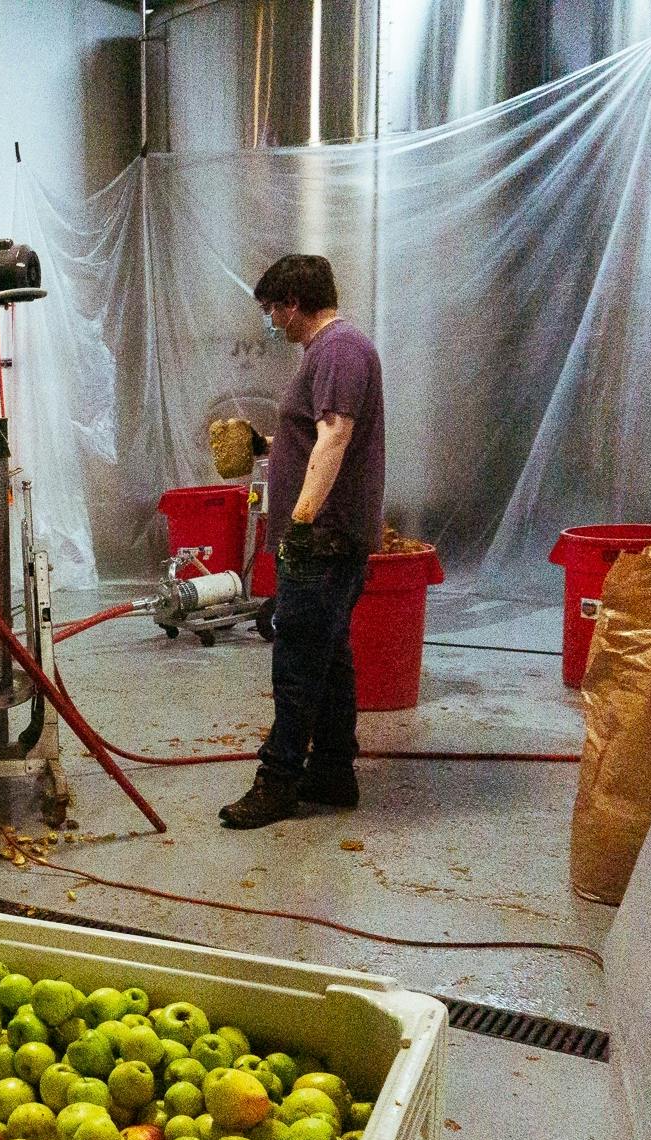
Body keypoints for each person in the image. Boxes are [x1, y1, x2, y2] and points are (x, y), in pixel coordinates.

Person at [221, 254, 385, 829]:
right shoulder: (331, 353)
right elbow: (315, 435)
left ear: (293, 303)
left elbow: (336, 435)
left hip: (323, 540)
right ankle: (334, 772)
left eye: (271, 311)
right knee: (330, 656)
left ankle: (279, 780)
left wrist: (303, 520)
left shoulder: (339, 349)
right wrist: (270, 445)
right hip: (331, 537)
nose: (271, 324)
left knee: (295, 661)